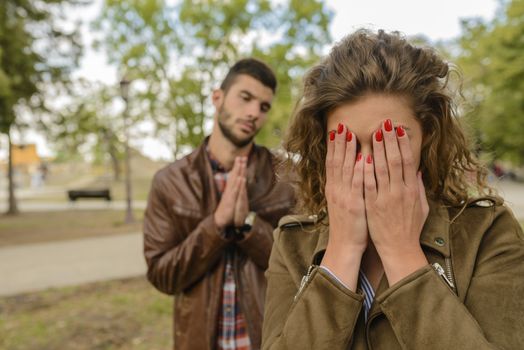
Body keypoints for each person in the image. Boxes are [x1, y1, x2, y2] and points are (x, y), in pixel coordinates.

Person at [261, 29, 524, 349]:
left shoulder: (487, 233)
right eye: (348, 145)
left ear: (428, 136)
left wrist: (403, 256)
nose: (368, 166)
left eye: (389, 142)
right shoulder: (292, 243)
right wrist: (341, 252)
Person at [144, 58, 295, 350]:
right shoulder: (169, 182)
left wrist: (248, 224)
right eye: (246, 98)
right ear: (218, 98)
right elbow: (163, 277)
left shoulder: (287, 178)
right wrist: (216, 226)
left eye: (263, 107)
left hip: (269, 341)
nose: (254, 112)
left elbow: (301, 269)